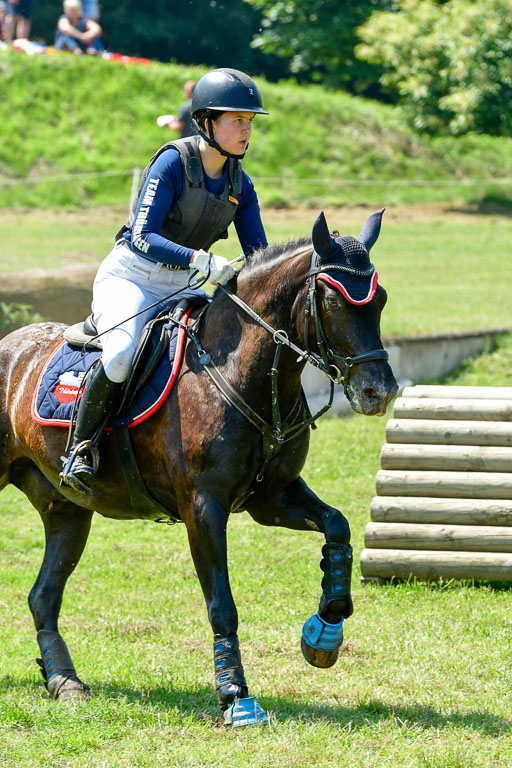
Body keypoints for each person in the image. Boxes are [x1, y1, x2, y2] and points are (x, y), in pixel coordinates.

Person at [60, 68, 269, 493]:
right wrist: (201, 259)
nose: (247, 130)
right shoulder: (174, 161)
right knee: (120, 356)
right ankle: (80, 449)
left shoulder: (240, 185)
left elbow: (259, 256)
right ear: (207, 122)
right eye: (238, 121)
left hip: (181, 287)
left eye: (250, 121)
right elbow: (141, 236)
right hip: (131, 278)